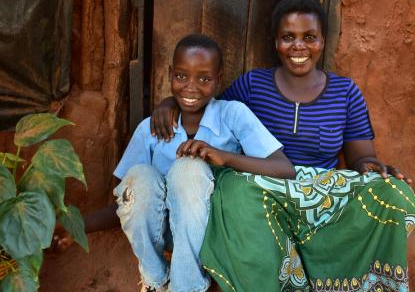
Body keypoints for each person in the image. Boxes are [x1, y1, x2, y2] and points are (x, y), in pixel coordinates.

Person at [151, 0, 415, 291]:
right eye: (288, 37)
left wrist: (368, 165)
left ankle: (349, 280)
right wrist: (168, 102)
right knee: (235, 189)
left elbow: (361, 159)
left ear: (322, 41)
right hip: (260, 191)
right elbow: (205, 105)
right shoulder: (252, 85)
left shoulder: (345, 93)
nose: (298, 46)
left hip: (319, 194)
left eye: (309, 37)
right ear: (276, 42)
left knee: (396, 194)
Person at [53, 34, 295, 292]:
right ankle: (156, 281)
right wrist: (75, 227)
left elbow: (285, 170)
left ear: (219, 79)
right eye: (181, 76)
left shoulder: (232, 115)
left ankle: (186, 286)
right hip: (165, 237)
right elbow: (128, 202)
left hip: (214, 235)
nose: (191, 87)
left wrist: (225, 158)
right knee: (140, 176)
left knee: (188, 168)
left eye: (204, 79)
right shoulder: (150, 129)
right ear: (170, 74)